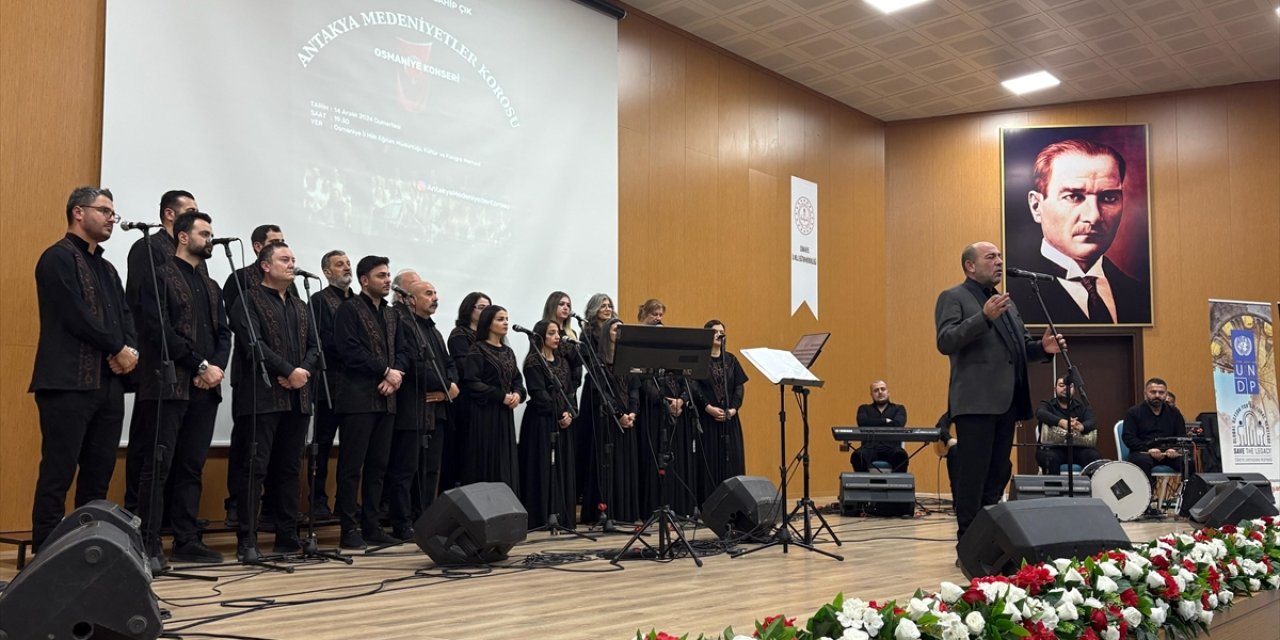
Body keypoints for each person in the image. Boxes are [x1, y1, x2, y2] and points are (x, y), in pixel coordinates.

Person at [29, 186, 138, 553]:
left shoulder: (107, 268)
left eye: (113, 212)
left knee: (98, 474)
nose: (111, 218)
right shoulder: (56, 259)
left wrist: (130, 351)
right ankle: (46, 556)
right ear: (78, 212)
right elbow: (77, 316)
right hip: (67, 383)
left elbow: (124, 316)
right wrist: (117, 348)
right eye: (104, 211)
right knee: (58, 473)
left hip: (108, 386)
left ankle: (88, 553)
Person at [935, 241, 1061, 543]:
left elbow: (1018, 349)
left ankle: (989, 539)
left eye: (1000, 256)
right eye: (991, 257)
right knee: (973, 476)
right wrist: (983, 318)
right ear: (970, 265)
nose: (999, 261)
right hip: (975, 403)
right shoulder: (954, 297)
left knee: (998, 473)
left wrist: (1042, 350)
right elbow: (946, 341)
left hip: (1007, 403)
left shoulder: (1005, 302)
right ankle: (968, 541)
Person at [133, 210, 232, 567]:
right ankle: (150, 543)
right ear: (183, 237)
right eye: (205, 233)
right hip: (168, 386)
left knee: (191, 465)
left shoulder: (211, 284)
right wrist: (199, 365)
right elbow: (159, 330)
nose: (211, 239)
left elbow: (224, 332)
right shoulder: (159, 277)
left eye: (211, 232)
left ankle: (187, 539)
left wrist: (215, 367)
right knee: (158, 465)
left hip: (205, 389)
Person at [227, 242, 317, 562]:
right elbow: (254, 344)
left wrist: (302, 371)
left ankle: (286, 536)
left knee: (290, 469)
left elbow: (315, 347)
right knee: (256, 467)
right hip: (262, 397)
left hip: (298, 398)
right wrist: (287, 370)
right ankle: (247, 540)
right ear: (265, 266)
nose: (292, 264)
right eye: (284, 259)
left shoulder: (301, 305)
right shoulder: (247, 299)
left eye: (294, 259)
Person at [123, 190, 201, 515]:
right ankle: (139, 517)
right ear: (170, 215)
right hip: (156, 364)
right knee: (147, 444)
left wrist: (201, 362)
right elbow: (143, 309)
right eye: (191, 210)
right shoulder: (147, 247)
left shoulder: (193, 256)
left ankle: (169, 518)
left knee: (179, 449)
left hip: (189, 367)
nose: (198, 215)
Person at [1012, 139, 1149, 324]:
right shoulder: (1011, 292)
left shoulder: (1139, 293)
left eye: (1108, 197)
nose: (1094, 217)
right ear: (1036, 206)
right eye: (1074, 196)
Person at [333, 255, 408, 549]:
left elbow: (403, 351)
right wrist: (385, 371)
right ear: (364, 280)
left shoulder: (393, 315)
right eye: (381, 276)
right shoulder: (348, 310)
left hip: (388, 400)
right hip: (357, 399)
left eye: (388, 275)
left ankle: (372, 526)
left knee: (378, 466)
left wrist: (396, 375)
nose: (387, 280)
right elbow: (349, 350)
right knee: (352, 466)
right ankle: (348, 529)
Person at [222, 223, 293, 527]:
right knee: (248, 449)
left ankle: (274, 511)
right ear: (257, 248)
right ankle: (238, 510)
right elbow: (240, 328)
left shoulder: (291, 293)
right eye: (275, 244)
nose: (284, 251)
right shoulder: (240, 280)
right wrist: (284, 368)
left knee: (283, 454)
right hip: (253, 376)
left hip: (289, 382)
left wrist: (294, 372)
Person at [386, 279, 458, 539]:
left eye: (436, 292)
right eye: (428, 293)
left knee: (430, 471)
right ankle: (403, 523)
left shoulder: (434, 330)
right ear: (411, 299)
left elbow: (449, 364)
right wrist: (446, 386)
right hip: (411, 409)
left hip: (436, 412)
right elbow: (415, 366)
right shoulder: (405, 325)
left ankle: (426, 520)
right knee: (405, 471)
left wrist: (450, 385)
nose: (435, 297)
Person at [306, 249, 354, 518]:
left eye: (348, 263)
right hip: (328, 384)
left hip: (357, 389)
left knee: (352, 447)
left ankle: (345, 504)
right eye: (339, 264)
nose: (346, 267)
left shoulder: (358, 302)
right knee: (322, 444)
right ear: (327, 272)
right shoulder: (319, 301)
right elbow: (321, 339)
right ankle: (317, 501)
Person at [517, 320, 578, 529]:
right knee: (542, 465)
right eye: (552, 333)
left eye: (558, 333)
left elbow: (569, 390)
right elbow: (539, 393)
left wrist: (569, 412)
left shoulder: (562, 361)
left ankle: (561, 514)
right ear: (541, 336)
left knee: (561, 467)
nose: (557, 337)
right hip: (541, 421)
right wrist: (560, 413)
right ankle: (540, 516)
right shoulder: (533, 362)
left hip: (563, 420)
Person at [579, 318, 641, 525]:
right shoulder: (598, 361)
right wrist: (618, 414)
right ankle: (606, 512)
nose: (620, 333)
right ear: (607, 333)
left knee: (626, 464)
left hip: (628, 420)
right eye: (616, 330)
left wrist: (632, 412)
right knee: (608, 463)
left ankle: (626, 512)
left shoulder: (629, 359)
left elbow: (634, 388)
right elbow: (601, 392)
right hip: (607, 421)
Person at [441, 291, 490, 492]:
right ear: (469, 310)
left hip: (486, 401)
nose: (486, 311)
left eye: (489, 308)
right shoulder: (459, 334)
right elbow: (465, 368)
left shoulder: (492, 337)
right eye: (481, 307)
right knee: (462, 450)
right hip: (466, 401)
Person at [694, 320, 748, 498]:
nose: (719, 334)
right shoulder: (700, 359)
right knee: (709, 460)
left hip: (729, 419)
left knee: (731, 459)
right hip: (707, 418)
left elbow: (739, 387)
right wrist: (707, 407)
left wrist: (733, 409)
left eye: (721, 331)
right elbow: (694, 387)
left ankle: (734, 501)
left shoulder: (731, 360)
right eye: (715, 331)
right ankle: (709, 502)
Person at [575, 293, 615, 496]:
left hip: (614, 386)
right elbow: (588, 362)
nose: (607, 309)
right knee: (591, 436)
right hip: (595, 388)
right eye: (603, 306)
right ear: (594, 310)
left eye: (609, 305)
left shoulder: (617, 330)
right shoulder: (587, 333)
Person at [1122, 377, 1191, 483]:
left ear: (1166, 394)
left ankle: (1187, 498)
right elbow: (1128, 437)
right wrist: (1147, 449)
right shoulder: (1133, 412)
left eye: (1161, 392)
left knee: (1189, 462)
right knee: (1141, 462)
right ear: (1145, 393)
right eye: (1153, 392)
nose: (1157, 395)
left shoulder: (1174, 413)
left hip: (1168, 453)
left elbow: (1181, 435)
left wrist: (1175, 449)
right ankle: (1146, 498)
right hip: (1143, 452)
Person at [1034, 375, 1101, 474]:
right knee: (1051, 458)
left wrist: (1081, 426)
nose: (1065, 388)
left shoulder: (1082, 407)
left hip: (1077, 449)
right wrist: (1062, 422)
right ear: (1055, 388)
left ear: (1074, 389)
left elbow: (1092, 421)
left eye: (1069, 386)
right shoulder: (1047, 404)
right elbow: (1040, 413)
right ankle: (1054, 490)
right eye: (1061, 385)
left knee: (1093, 456)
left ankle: (1090, 489)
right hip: (1052, 449)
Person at [851, 380, 909, 473]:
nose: (880, 392)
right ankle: (864, 486)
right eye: (876, 390)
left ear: (888, 392)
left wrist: (872, 423)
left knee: (901, 456)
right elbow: (862, 423)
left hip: (891, 447)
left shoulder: (899, 408)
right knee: (857, 456)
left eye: (883, 389)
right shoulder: (864, 408)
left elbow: (898, 424)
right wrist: (885, 421)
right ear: (871, 394)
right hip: (869, 447)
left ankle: (896, 487)